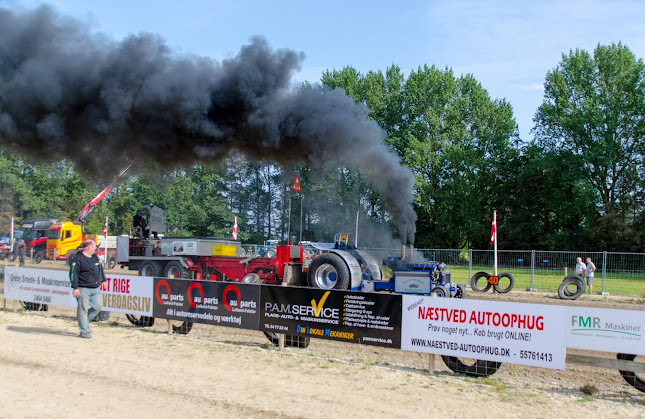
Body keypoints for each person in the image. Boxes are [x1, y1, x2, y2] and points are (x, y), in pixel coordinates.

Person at [69, 240, 107, 338]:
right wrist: (75, 287)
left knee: (97, 306)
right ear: (89, 247)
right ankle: (84, 331)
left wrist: (104, 280)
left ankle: (84, 322)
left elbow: (100, 269)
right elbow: (74, 273)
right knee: (83, 309)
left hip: (95, 287)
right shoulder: (78, 258)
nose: (96, 248)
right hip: (83, 288)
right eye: (94, 247)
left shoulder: (95, 257)